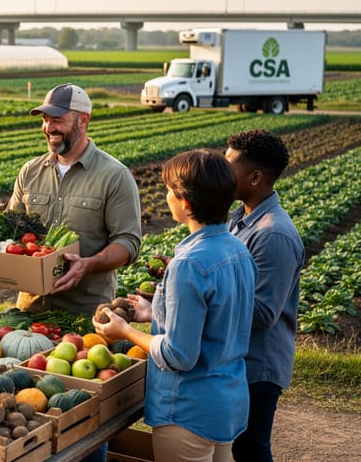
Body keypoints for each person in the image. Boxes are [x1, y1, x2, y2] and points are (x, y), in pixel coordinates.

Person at [93, 148, 257, 462]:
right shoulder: (237, 249)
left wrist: (125, 330)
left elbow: (179, 355)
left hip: (189, 410)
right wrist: (155, 312)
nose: (166, 195)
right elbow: (217, 318)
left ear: (185, 202)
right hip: (228, 400)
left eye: (169, 189)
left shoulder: (188, 264)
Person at [8, 83, 142, 315]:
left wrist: (87, 265)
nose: (49, 127)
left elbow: (128, 243)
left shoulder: (114, 176)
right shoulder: (30, 172)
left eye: (57, 120)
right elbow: (9, 230)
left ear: (83, 121)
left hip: (86, 314)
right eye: (45, 119)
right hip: (30, 311)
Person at [225, 130, 305, 462]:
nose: (222, 171)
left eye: (229, 166)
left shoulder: (273, 234)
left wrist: (201, 296)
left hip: (258, 365)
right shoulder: (241, 219)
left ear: (255, 177)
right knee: (237, 446)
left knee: (251, 448)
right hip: (239, 358)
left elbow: (262, 312)